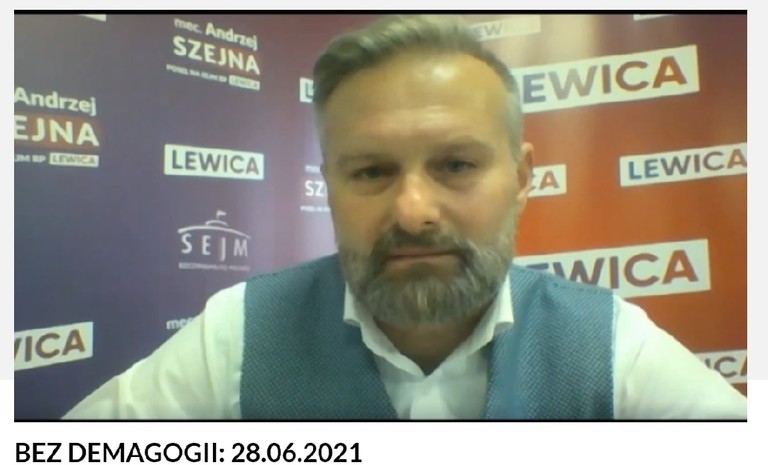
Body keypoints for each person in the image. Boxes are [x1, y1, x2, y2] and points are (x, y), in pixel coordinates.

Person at [63, 14, 747, 420]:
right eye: (371, 171)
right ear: (329, 185)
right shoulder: (237, 335)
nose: (414, 211)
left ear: (522, 180)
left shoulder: (609, 345)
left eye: (456, 165)